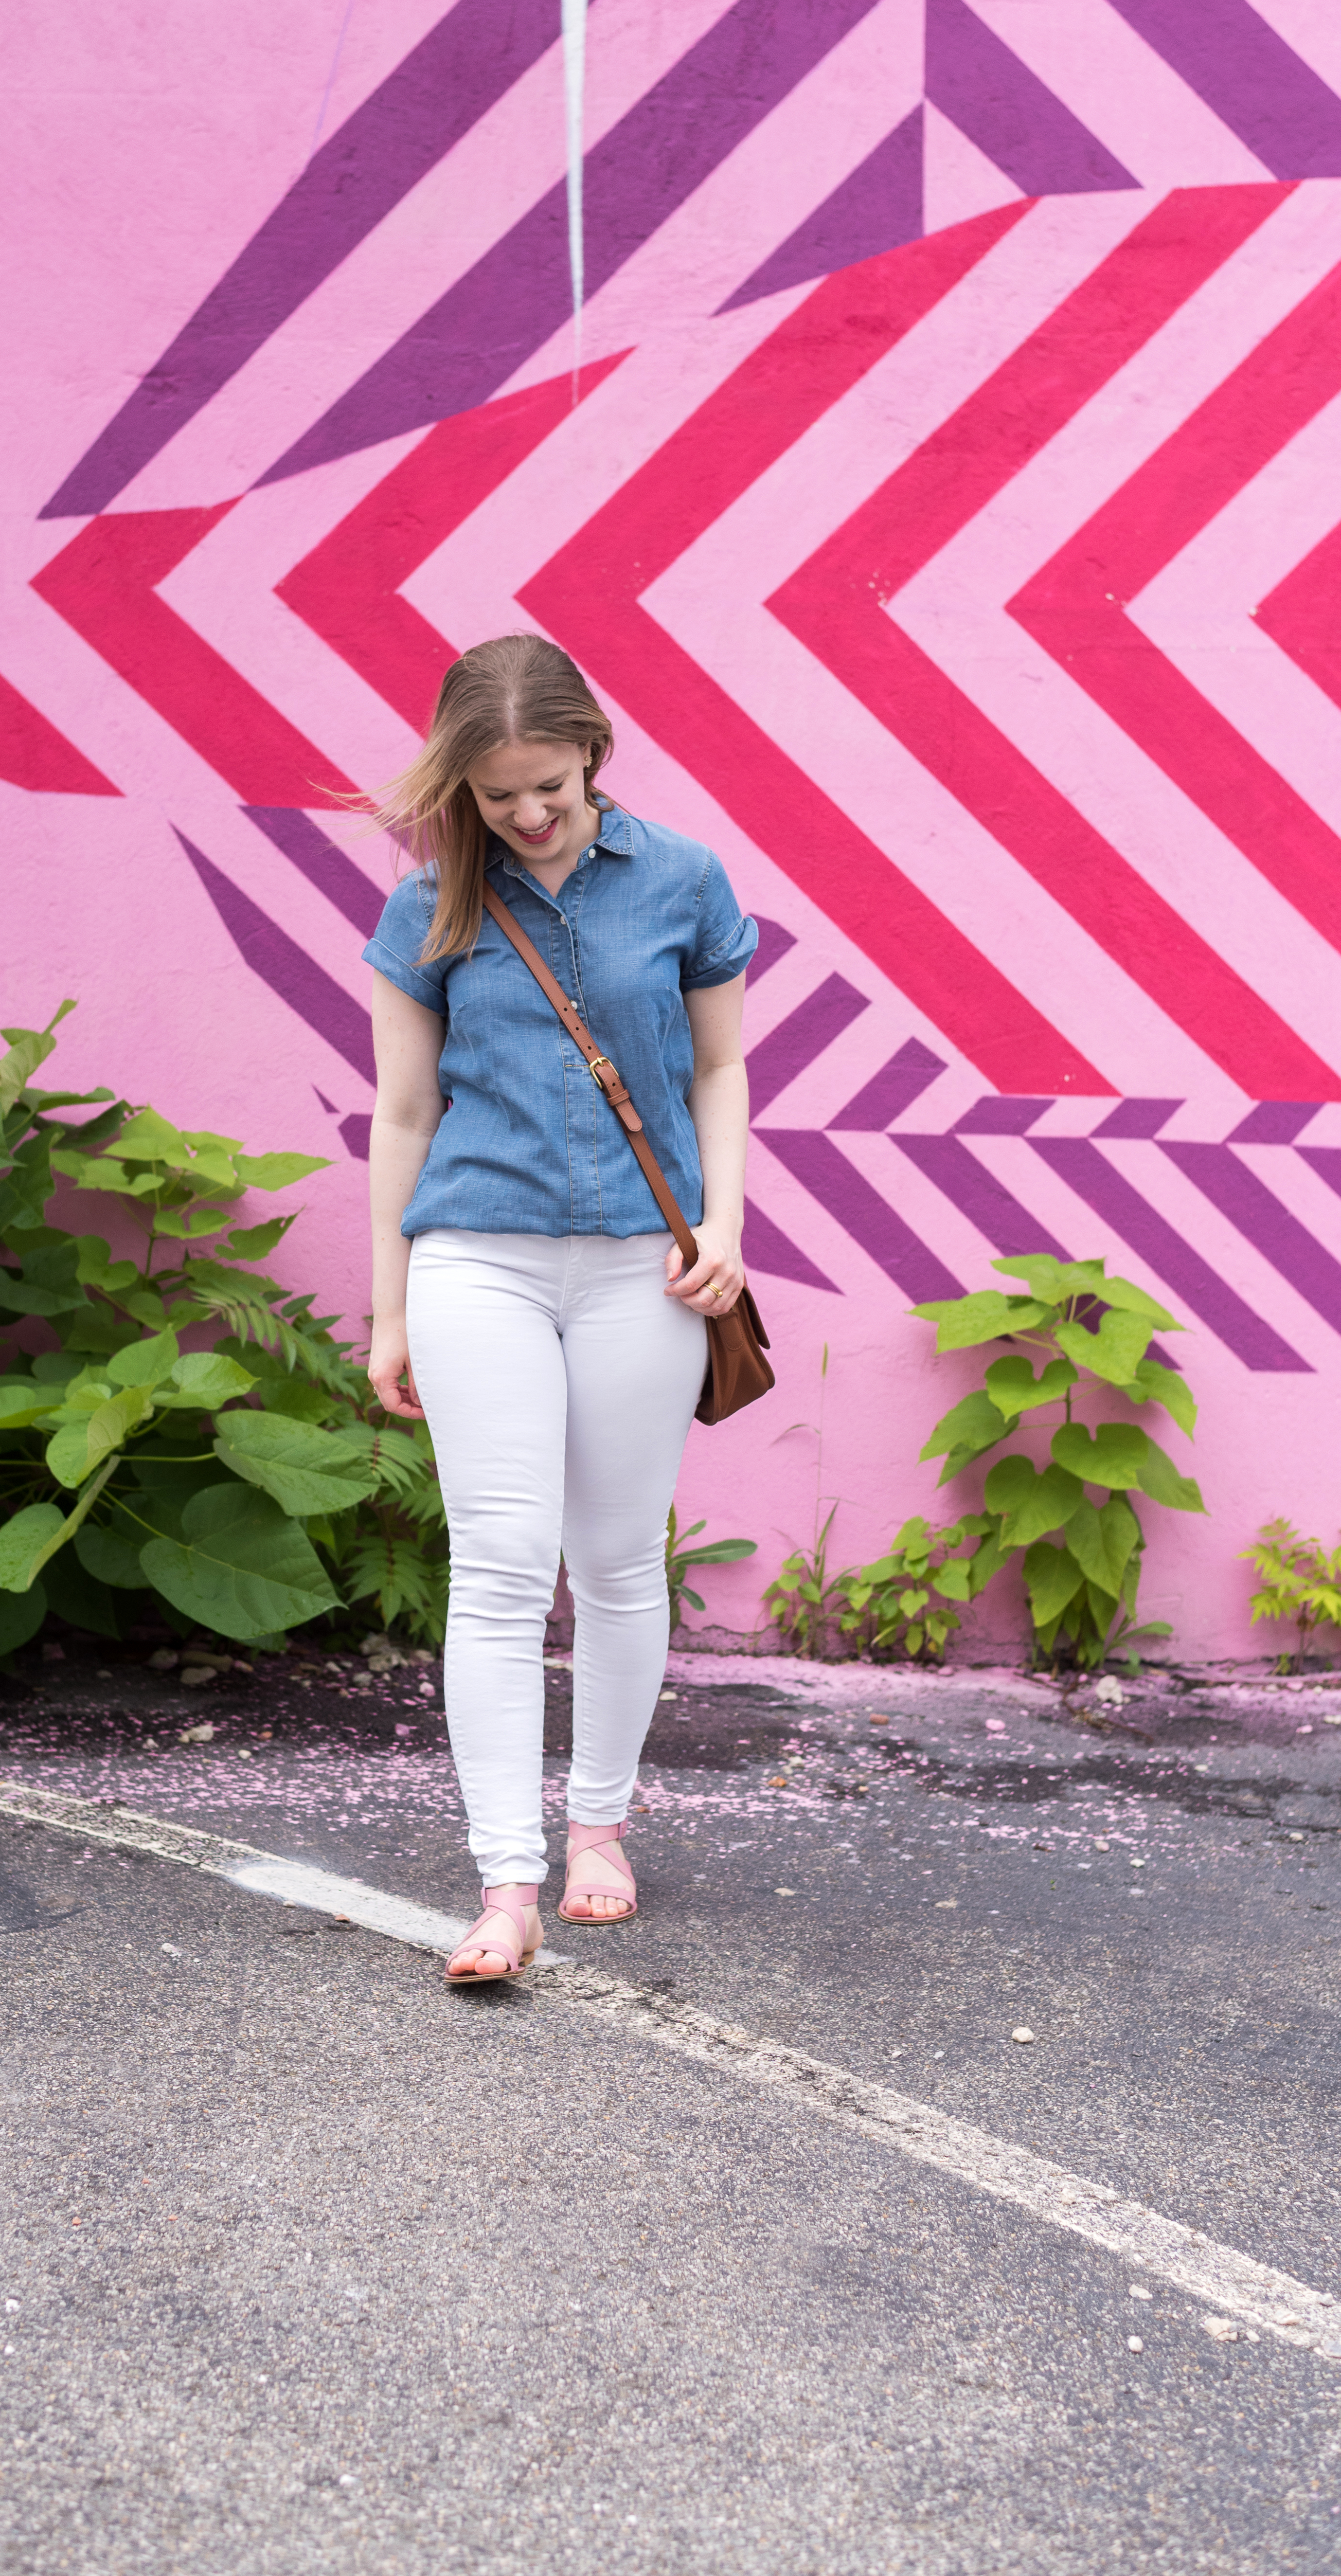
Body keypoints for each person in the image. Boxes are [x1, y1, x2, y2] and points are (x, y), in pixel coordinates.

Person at [362, 633, 755, 1982]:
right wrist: (387, 1309)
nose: (527, 815)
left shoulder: (685, 880)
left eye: (548, 785)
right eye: (495, 795)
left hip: (647, 1256)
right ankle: (504, 1883)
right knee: (499, 1559)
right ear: (459, 789)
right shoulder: (430, 909)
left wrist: (723, 1223)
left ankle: (598, 1827)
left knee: (617, 1557)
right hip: (477, 1253)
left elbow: (719, 1069)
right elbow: (403, 1114)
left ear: (593, 750)